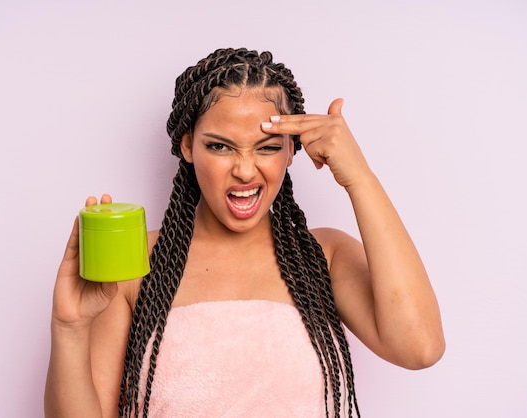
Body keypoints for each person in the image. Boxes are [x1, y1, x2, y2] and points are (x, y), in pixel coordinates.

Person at [44, 47, 445, 418]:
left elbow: (420, 348)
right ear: (188, 146)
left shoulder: (323, 256)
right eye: (220, 147)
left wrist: (359, 178)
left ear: (292, 150)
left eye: (268, 147)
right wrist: (69, 329)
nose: (245, 170)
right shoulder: (137, 262)